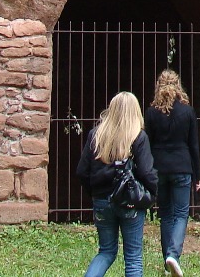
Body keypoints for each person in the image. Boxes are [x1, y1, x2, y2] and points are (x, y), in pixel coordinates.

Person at [76, 91, 160, 277]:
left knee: (106, 252)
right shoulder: (138, 137)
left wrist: (95, 193)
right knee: (133, 258)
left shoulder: (96, 135)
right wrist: (152, 193)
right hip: (129, 200)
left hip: (102, 201)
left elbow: (82, 171)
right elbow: (146, 172)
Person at [145, 70, 200, 277]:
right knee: (181, 214)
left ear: (158, 86)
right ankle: (173, 255)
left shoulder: (151, 113)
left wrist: (147, 171)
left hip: (159, 168)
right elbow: (193, 145)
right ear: (178, 86)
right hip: (182, 167)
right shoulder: (187, 111)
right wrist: (197, 174)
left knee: (166, 214)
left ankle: (166, 260)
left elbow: (148, 143)